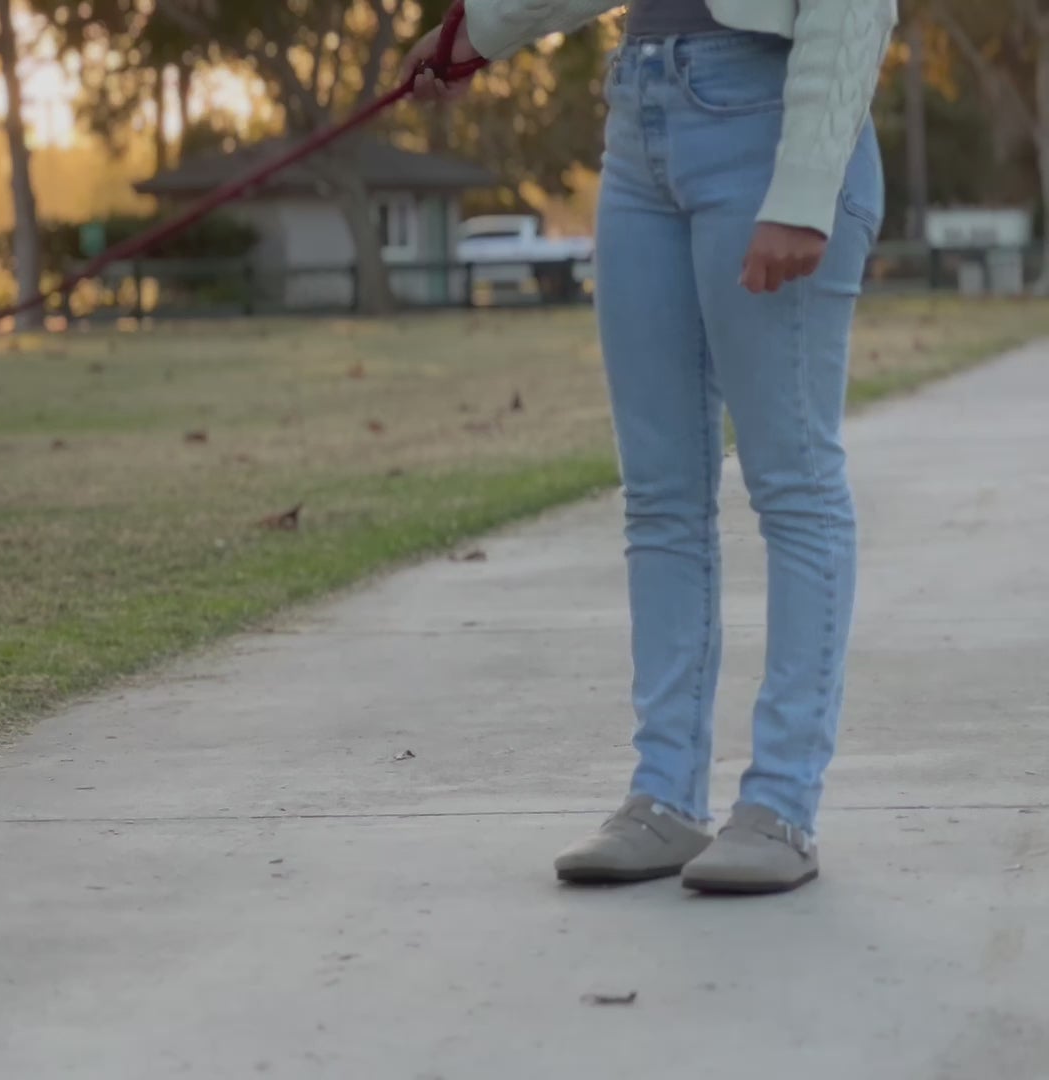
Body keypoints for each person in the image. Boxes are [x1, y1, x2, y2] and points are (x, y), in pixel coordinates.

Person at [406, 0, 897, 894]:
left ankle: (781, 804)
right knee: (660, 493)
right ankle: (665, 796)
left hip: (770, 112)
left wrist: (805, 185)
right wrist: (474, 35)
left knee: (792, 483)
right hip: (641, 114)